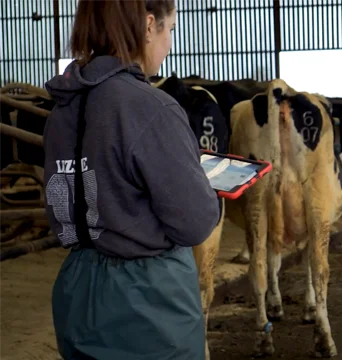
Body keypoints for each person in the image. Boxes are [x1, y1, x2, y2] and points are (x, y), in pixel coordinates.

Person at [42, 0, 221, 359]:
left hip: (77, 290)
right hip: (148, 306)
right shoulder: (152, 107)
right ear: (148, 25)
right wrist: (210, 193)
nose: (169, 44)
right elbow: (194, 223)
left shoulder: (62, 109)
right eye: (170, 30)